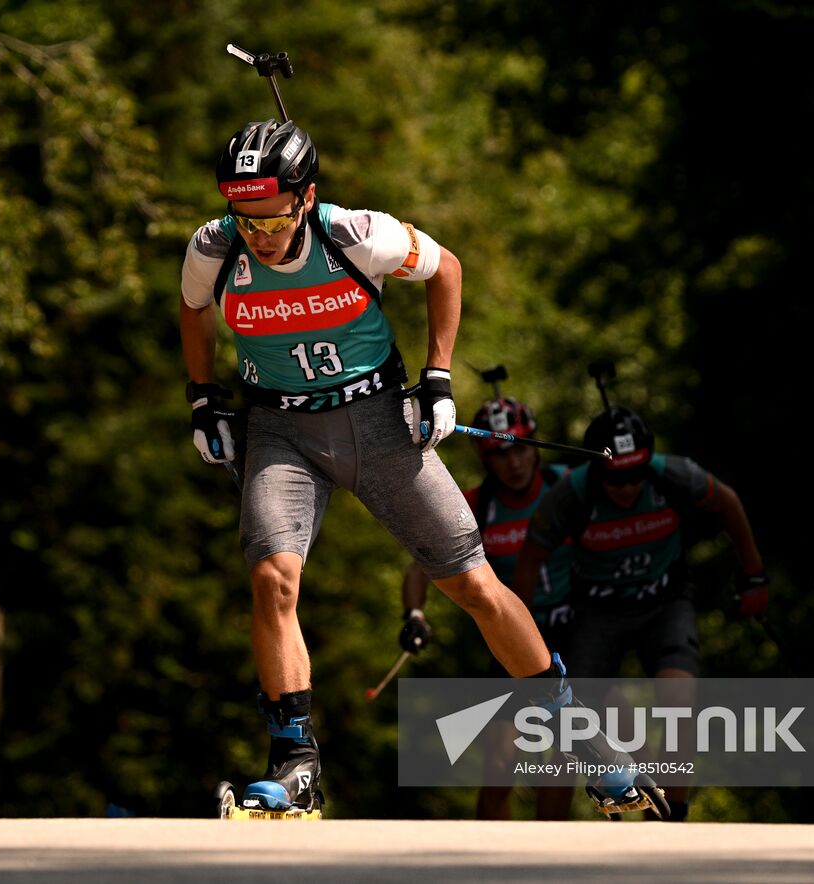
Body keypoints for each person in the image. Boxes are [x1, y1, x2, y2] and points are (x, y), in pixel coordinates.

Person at [180, 119, 581, 813]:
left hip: (378, 422)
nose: (260, 236)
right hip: (279, 429)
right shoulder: (214, 247)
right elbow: (193, 310)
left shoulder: (357, 234)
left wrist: (439, 378)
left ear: (305, 198)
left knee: (473, 586)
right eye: (245, 219)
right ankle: (296, 761)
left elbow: (446, 268)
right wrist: (202, 399)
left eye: (273, 218)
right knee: (273, 579)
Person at [512, 404, 770, 821]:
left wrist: (754, 575)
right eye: (616, 478)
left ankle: (670, 818)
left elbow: (728, 502)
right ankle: (550, 829)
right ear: (599, 469)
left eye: (636, 475)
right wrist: (526, 631)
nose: (628, 488)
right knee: (569, 724)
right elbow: (530, 558)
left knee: (679, 704)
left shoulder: (673, 474)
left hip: (664, 604)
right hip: (597, 611)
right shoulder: (572, 494)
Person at [399, 395, 580, 820]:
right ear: (484, 457)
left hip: (575, 634)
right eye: (499, 453)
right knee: (500, 765)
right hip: (515, 640)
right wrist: (415, 615)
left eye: (520, 448)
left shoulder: (568, 488)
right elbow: (419, 567)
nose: (513, 463)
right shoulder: (474, 504)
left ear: (534, 446)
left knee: (567, 758)